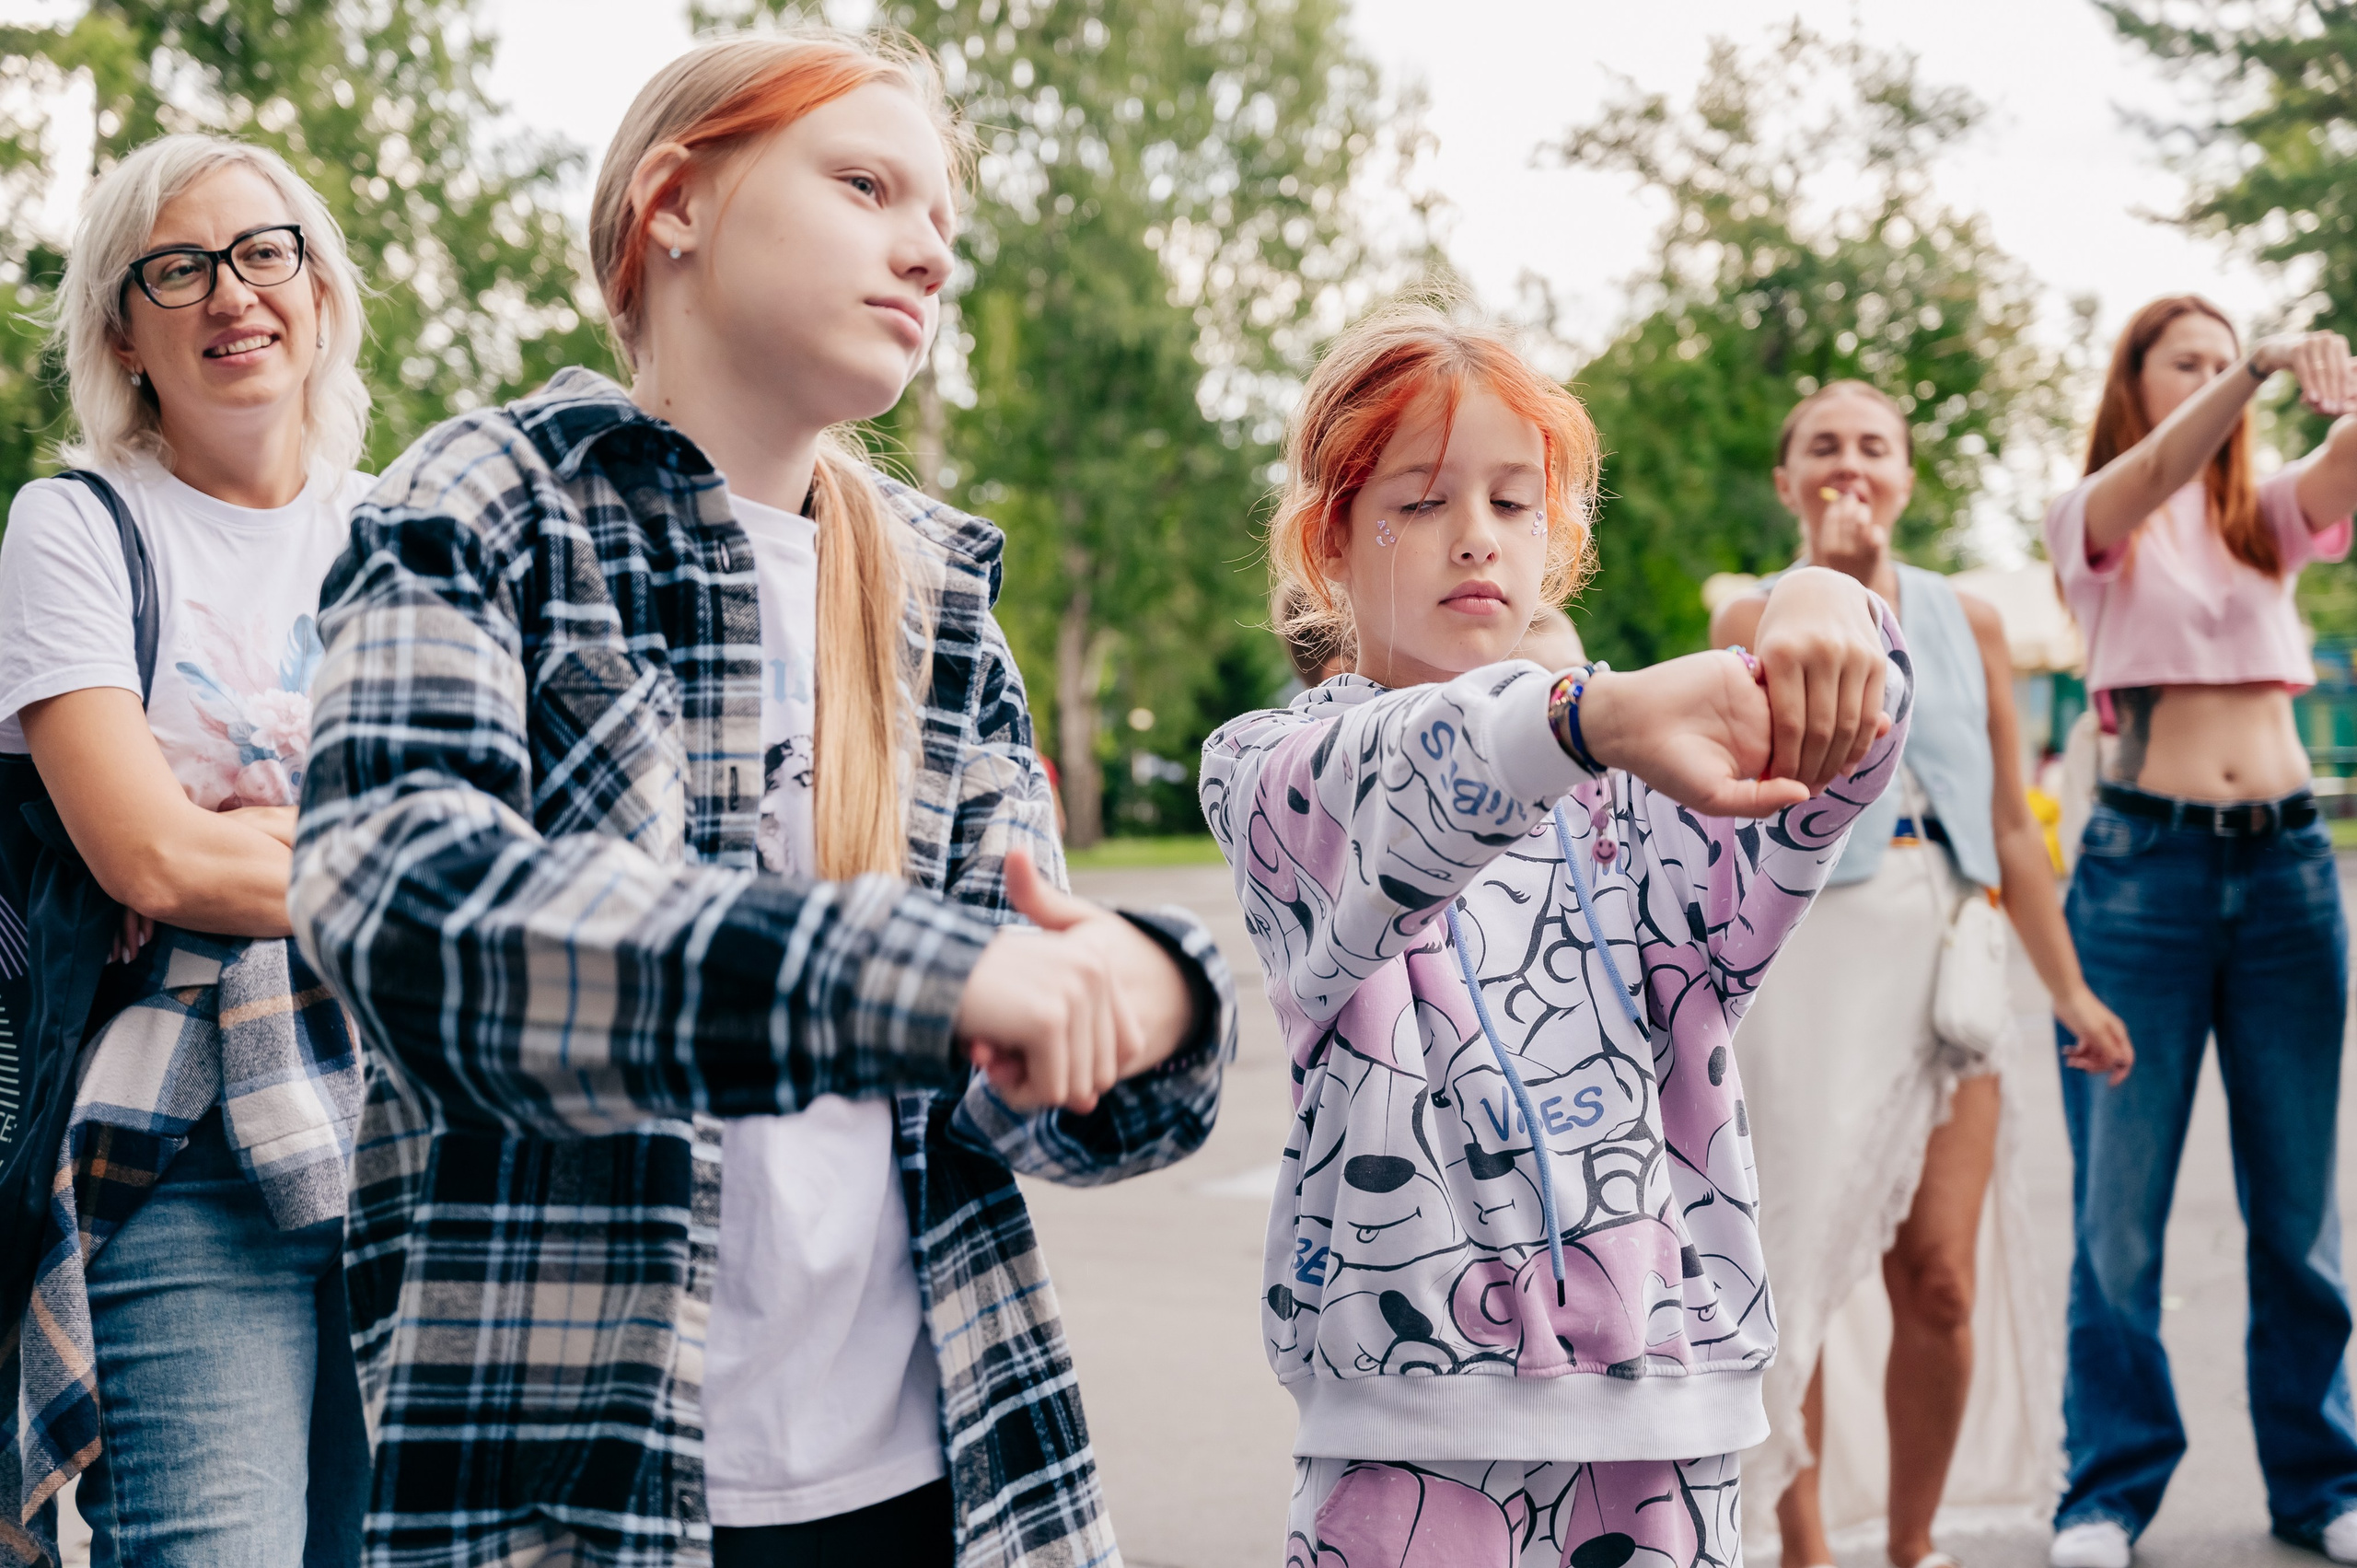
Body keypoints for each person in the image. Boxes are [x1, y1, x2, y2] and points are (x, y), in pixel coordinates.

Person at [288, 30, 1235, 1568]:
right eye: (868, 185)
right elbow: (400, 905)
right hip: (582, 1493)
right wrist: (931, 971)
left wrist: (1148, 1000)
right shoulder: (480, 503)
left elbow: (1028, 1115)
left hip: (954, 1483)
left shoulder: (939, 596)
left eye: (944, 224)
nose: (928, 252)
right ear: (676, 203)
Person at [1200, 301, 1912, 1568]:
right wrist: (1582, 718)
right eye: (1419, 500)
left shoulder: (1641, 787)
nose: (1474, 535)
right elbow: (1406, 775)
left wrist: (1827, 605)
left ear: (1558, 540)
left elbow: (1835, 758)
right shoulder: (1274, 768)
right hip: (1404, 1430)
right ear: (1329, 540)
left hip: (1669, 1418)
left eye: (1514, 503)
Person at [0, 134, 374, 1566]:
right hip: (183, 1153)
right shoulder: (78, 528)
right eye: (180, 267)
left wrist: (254, 849)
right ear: (123, 327)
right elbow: (148, 861)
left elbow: (496, 836)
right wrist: (373, 861)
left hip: (398, 1136)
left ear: (320, 291)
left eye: (265, 251)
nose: (234, 294)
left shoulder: (403, 533)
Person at [1711, 381, 2133, 1568]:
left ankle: (1911, 1546)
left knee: (1940, 1280)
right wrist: (1830, 589)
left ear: (1904, 477)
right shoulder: (1750, 616)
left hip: (1952, 954)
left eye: (1875, 447)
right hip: (1812, 961)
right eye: (1823, 448)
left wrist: (2071, 990)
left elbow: (2009, 824)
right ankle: (1803, 1550)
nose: (1851, 464)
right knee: (1795, 1264)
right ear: (1789, 482)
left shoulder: (1970, 622)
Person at [2041, 298, 2357, 1568]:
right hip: (2140, 879)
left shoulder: (2261, 517)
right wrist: (2259, 365)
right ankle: (2108, 1493)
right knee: (2119, 1221)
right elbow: (2165, 461)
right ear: (2138, 380)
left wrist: (2341, 393)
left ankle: (2322, 1483)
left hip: (2286, 873)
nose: (2220, 378)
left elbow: (2337, 473)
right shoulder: (2091, 517)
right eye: (2193, 358)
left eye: (2227, 358)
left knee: (2299, 1211)